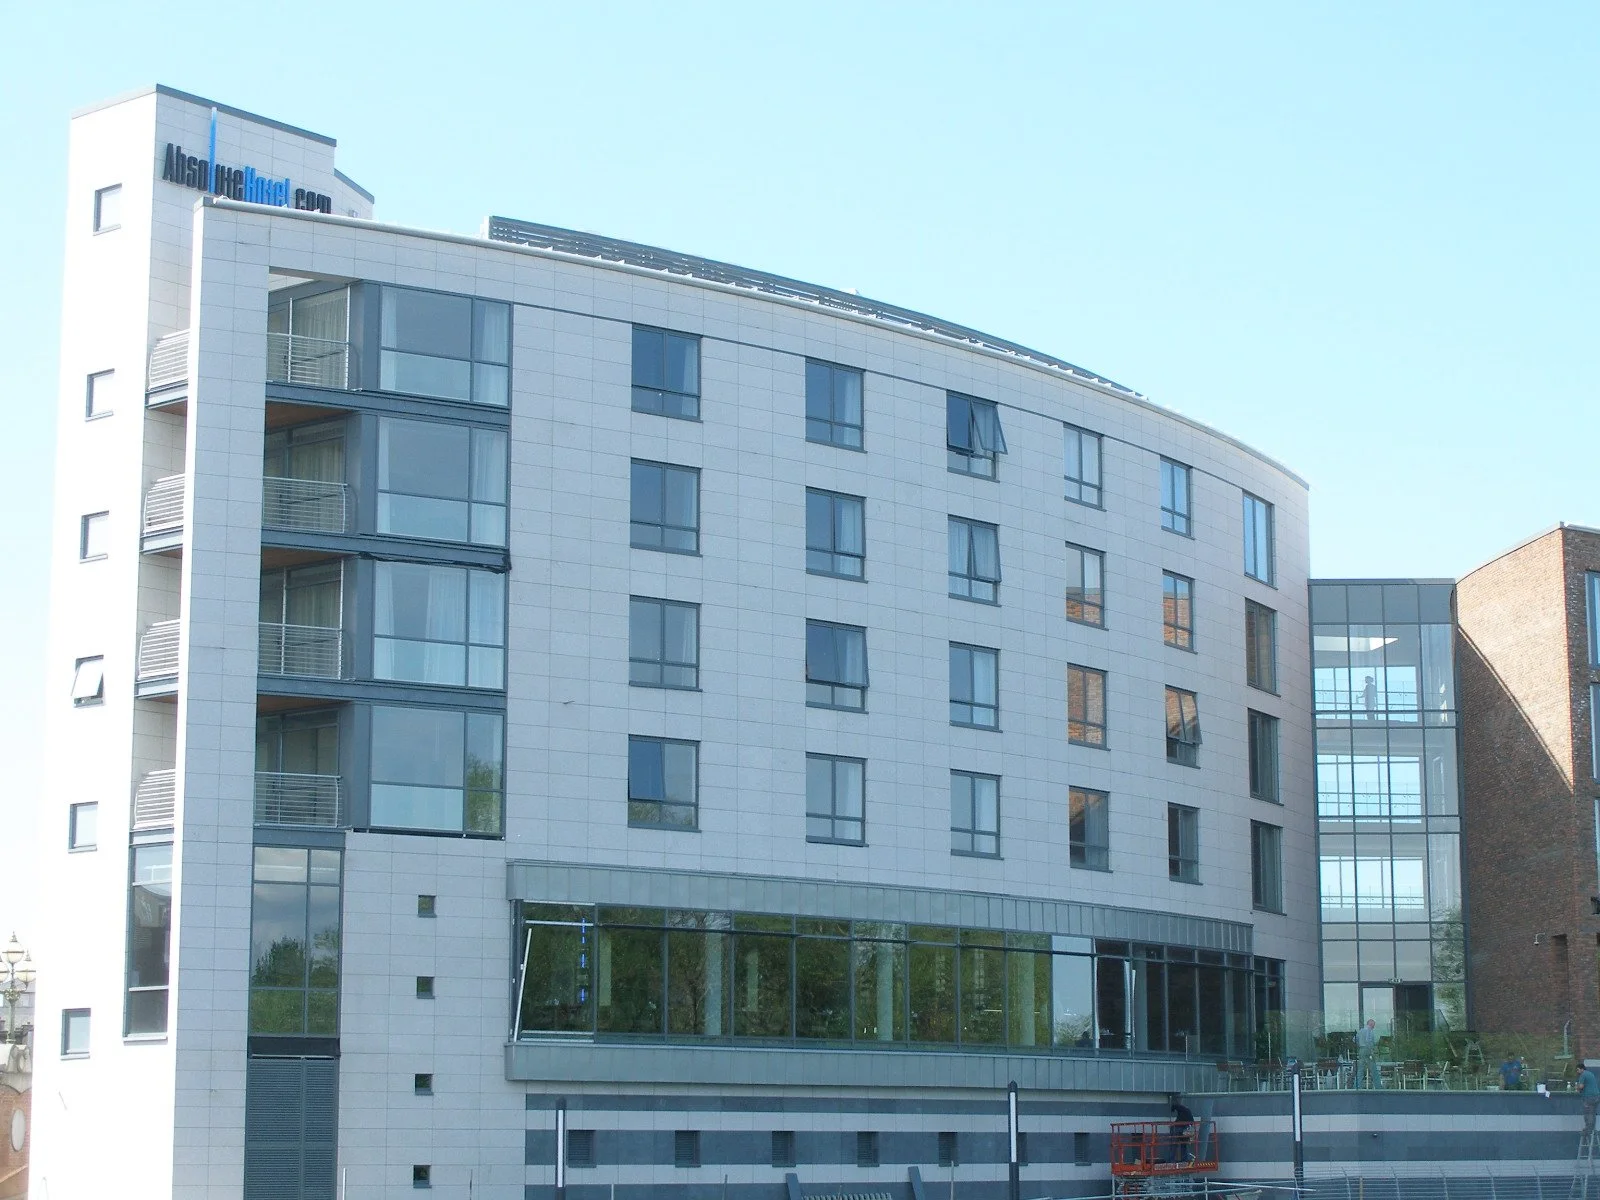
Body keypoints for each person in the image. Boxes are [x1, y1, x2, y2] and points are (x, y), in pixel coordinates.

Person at [1356, 1018, 1381, 1088]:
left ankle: (1358, 1086)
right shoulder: (1369, 1031)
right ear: (1371, 1024)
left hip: (1361, 1050)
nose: (1374, 1027)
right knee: (1373, 1069)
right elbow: (1368, 1041)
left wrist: (1360, 1045)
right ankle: (1378, 1086)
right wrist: (1371, 1051)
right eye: (1373, 1025)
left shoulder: (1360, 1031)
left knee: (1360, 1070)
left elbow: (1354, 1039)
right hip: (1367, 1050)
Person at [1578, 1061, 1600, 1139]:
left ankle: (1588, 1130)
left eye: (1578, 1070)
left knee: (1588, 1114)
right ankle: (1592, 1129)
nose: (1577, 1072)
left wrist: (1577, 1088)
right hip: (1596, 1096)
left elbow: (1581, 1086)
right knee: (1592, 1113)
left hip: (1589, 1097)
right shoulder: (1590, 1073)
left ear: (1581, 1069)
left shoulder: (1583, 1075)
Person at [1171, 1098, 1197, 1163]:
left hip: (1179, 1128)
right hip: (1184, 1128)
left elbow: (1175, 1106)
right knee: (1183, 1145)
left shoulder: (1181, 1108)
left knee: (1174, 1145)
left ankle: (1171, 1160)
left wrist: (1172, 1109)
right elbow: (1191, 1123)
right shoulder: (1187, 1111)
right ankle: (1184, 1159)